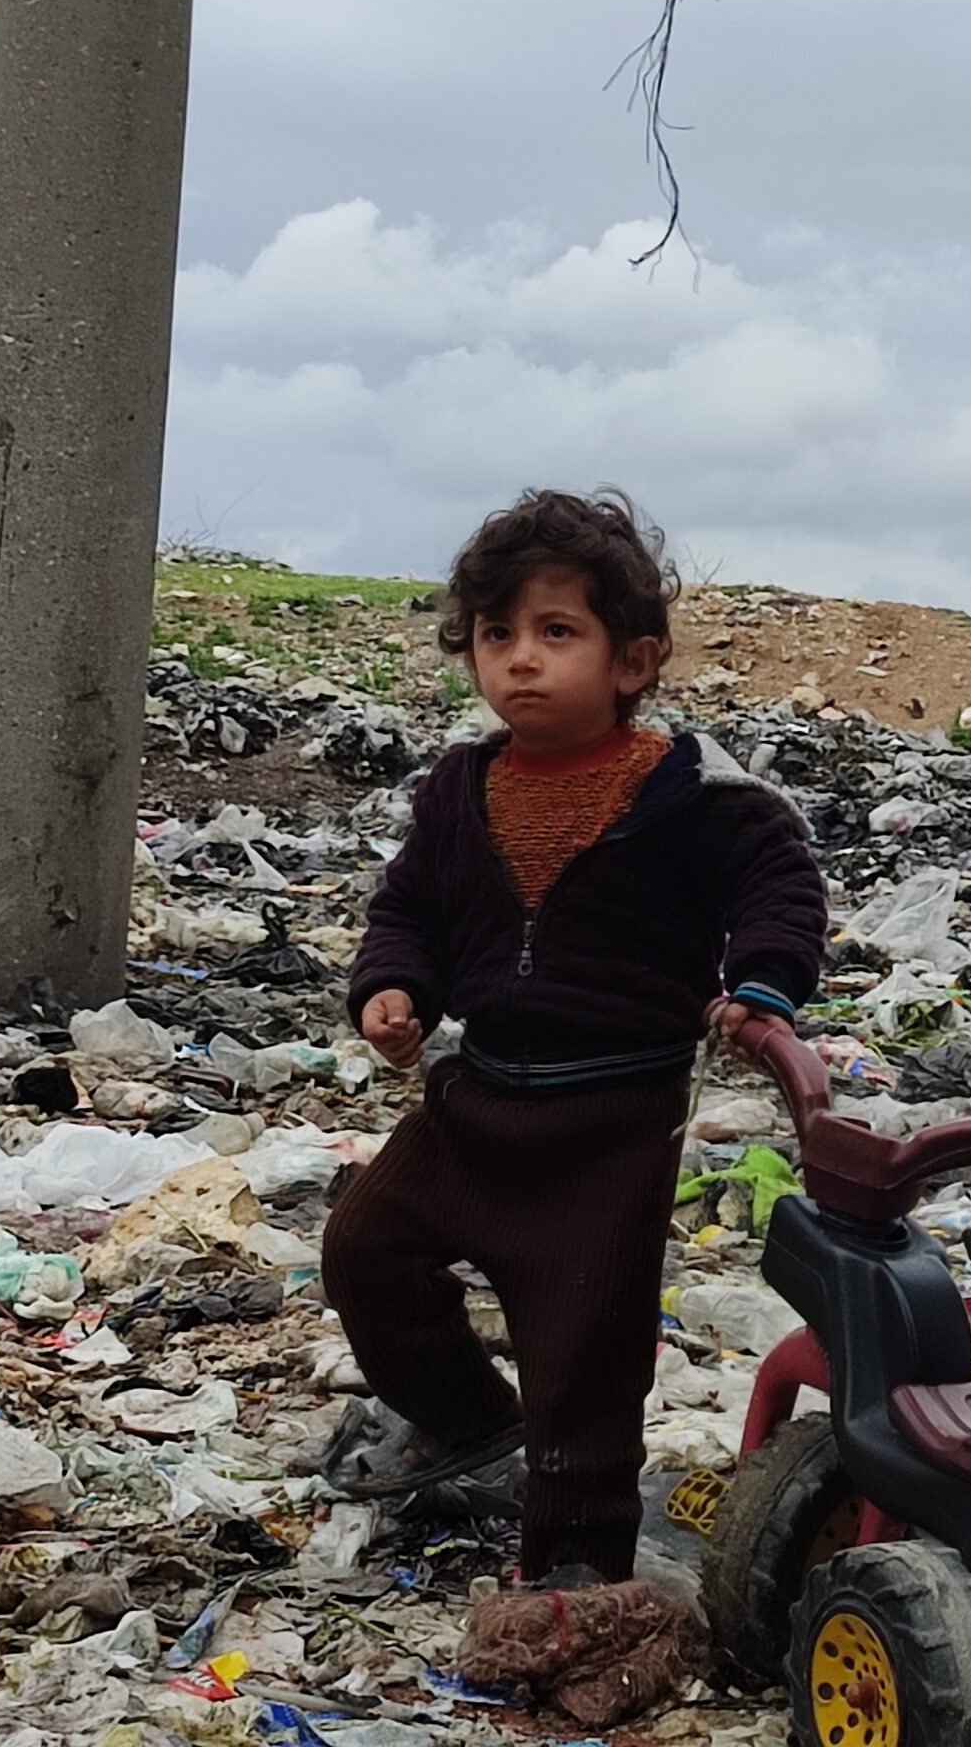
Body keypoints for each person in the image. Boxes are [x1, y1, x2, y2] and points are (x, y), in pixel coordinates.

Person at [322, 489, 826, 1586]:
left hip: (610, 1126)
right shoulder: (462, 789)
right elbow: (407, 907)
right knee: (364, 1251)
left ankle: (575, 1581)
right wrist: (391, 989)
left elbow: (779, 883)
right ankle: (468, 1418)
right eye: (497, 635)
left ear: (634, 660)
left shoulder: (691, 794)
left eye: (558, 633)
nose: (521, 661)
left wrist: (766, 986)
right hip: (476, 1100)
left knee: (584, 1371)